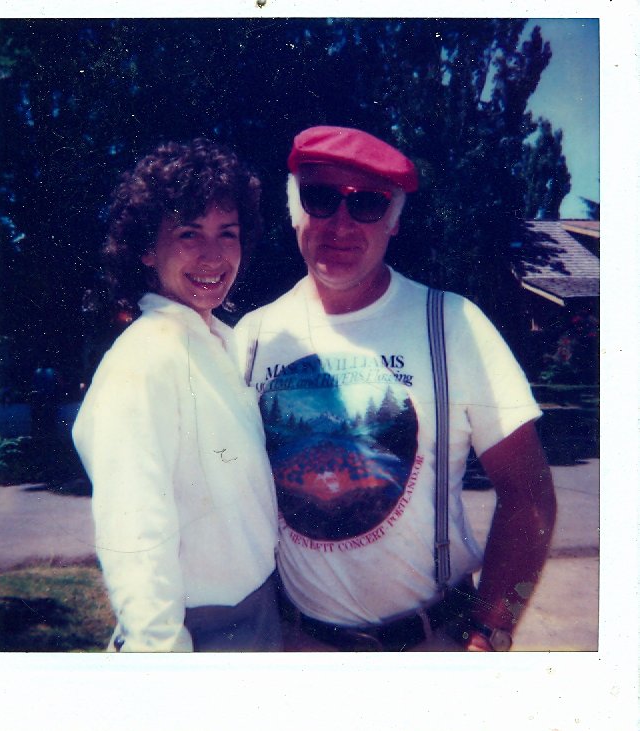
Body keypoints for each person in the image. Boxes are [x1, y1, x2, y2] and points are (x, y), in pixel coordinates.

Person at [235, 125, 556, 651]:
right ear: (294, 210)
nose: (340, 223)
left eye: (366, 204)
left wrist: (490, 635)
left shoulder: (453, 325)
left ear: (395, 221)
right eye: (320, 198)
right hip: (297, 650)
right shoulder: (253, 337)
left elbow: (530, 495)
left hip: (432, 647)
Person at [72, 139, 281, 652]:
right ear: (147, 247)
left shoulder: (219, 342)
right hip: (196, 629)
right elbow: (134, 530)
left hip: (258, 612)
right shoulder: (144, 359)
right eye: (189, 233)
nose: (213, 255)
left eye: (227, 234)